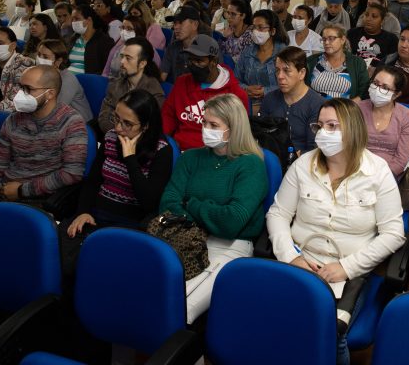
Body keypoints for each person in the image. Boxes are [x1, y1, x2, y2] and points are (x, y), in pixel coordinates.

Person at [266, 98, 406, 364]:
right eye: (319, 126)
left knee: (330, 329)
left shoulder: (377, 172)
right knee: (277, 317)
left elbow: (394, 233)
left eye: (332, 126)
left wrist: (346, 267)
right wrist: (291, 257)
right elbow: (278, 214)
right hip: (301, 262)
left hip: (349, 272)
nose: (322, 133)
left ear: (353, 130)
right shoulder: (303, 165)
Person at [161, 93, 266, 322]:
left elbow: (231, 222)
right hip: (186, 238)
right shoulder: (191, 158)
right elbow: (168, 202)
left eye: (214, 125)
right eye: (204, 123)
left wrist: (191, 204)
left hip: (230, 246)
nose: (205, 129)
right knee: (154, 295)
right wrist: (209, 215)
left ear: (233, 128)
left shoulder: (251, 165)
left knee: (181, 308)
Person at [0, 65, 88, 208]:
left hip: (40, 201)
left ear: (50, 93)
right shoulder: (13, 120)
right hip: (5, 193)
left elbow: (71, 174)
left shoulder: (71, 122)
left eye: (28, 89)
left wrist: (21, 191)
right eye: (21, 87)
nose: (20, 94)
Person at [68, 89, 171, 236]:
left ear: (145, 125)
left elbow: (149, 203)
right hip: (96, 214)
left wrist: (130, 158)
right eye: (116, 118)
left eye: (127, 124)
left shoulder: (161, 150)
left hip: (131, 224)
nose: (118, 128)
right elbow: (93, 181)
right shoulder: (111, 137)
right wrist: (83, 212)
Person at [162, 35, 248, 151]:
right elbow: (168, 116)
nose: (193, 65)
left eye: (199, 61)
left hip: (215, 153)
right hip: (179, 149)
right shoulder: (182, 83)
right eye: (190, 60)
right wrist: (163, 142)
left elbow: (238, 135)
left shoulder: (235, 94)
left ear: (213, 62)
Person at [260, 46, 325, 154]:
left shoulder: (317, 104)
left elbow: (313, 149)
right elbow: (260, 136)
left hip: (303, 161)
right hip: (269, 157)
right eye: (277, 70)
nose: (280, 76)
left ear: (302, 73)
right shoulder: (269, 99)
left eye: (286, 71)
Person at [357, 65, 409, 178]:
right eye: (375, 83)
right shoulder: (357, 109)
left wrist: (380, 178)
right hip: (356, 169)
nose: (377, 89)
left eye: (385, 88)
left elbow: (401, 161)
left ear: (396, 94)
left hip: (388, 175)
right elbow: (348, 145)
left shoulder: (408, 117)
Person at [98, 37, 165, 135]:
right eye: (122, 56)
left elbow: (149, 128)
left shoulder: (153, 92)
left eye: (128, 58)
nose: (122, 61)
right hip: (113, 135)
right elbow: (104, 117)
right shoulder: (116, 84)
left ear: (142, 64)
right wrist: (116, 134)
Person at [235, 9, 288, 108]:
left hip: (278, 105)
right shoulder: (247, 52)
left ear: (272, 31)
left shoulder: (284, 52)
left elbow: (291, 82)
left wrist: (266, 91)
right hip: (249, 104)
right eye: (254, 27)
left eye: (260, 27)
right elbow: (236, 79)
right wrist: (246, 89)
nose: (256, 31)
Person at [306, 25, 369, 101]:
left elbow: (364, 89)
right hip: (316, 106)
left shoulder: (357, 62)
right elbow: (302, 86)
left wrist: (351, 104)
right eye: (324, 39)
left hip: (345, 107)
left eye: (331, 38)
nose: (326, 42)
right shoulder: (312, 61)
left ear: (342, 40)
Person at [36, 39, 93, 121]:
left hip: (79, 123)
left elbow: (55, 110)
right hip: (58, 120)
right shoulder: (45, 75)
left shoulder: (67, 79)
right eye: (39, 54)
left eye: (45, 57)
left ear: (58, 61)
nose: (39, 59)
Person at [161, 4, 212, 84]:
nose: (176, 27)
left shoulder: (209, 48)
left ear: (195, 24)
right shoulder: (172, 48)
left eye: (181, 22)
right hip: (179, 90)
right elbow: (161, 78)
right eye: (175, 23)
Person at [347, 3, 398, 69]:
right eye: (366, 15)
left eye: (374, 16)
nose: (369, 19)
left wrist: (376, 69)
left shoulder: (391, 39)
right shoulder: (352, 33)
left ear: (382, 21)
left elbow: (390, 62)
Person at [66, 4, 114, 75]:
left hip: (88, 79)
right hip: (68, 77)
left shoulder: (104, 41)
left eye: (76, 19)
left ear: (89, 20)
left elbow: (107, 69)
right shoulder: (73, 39)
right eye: (72, 19)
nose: (73, 22)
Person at [220, 0, 253, 64]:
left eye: (233, 14)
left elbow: (242, 61)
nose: (229, 17)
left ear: (243, 16)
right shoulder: (228, 30)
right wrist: (223, 37)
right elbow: (219, 53)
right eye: (228, 13)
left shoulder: (250, 35)